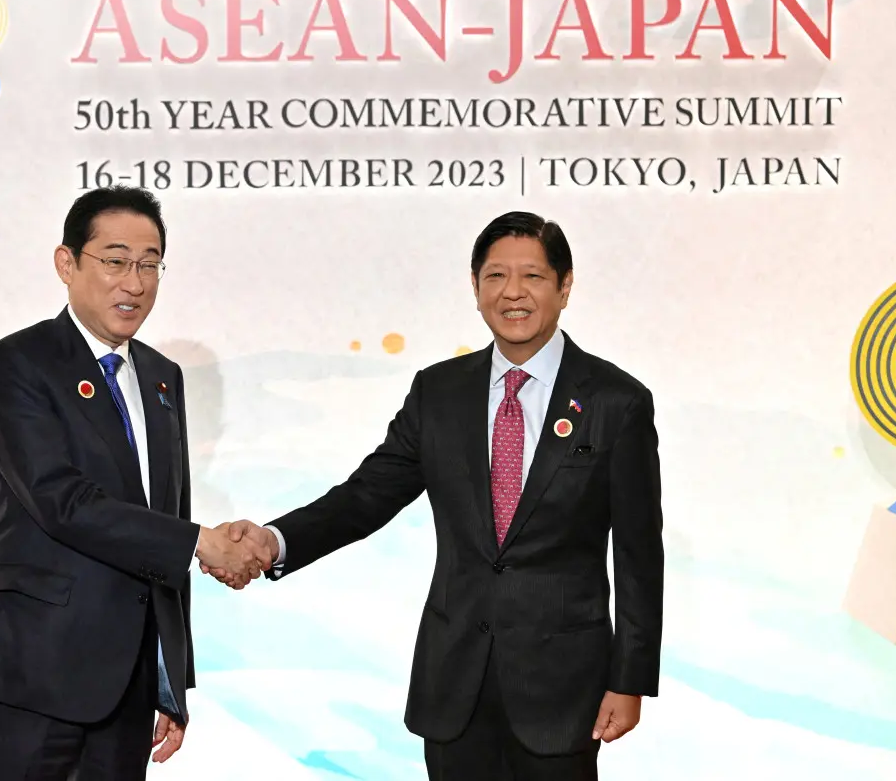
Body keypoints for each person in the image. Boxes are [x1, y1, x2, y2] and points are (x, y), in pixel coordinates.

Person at [207, 212, 664, 781]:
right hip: (454, 685)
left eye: (533, 276)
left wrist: (631, 679)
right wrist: (273, 541)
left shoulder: (616, 402)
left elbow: (641, 557)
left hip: (563, 688)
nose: (513, 293)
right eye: (496, 276)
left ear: (565, 287)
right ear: (475, 289)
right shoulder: (439, 393)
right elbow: (365, 497)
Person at [0, 185, 269, 780]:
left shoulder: (162, 378)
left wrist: (170, 674)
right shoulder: (17, 363)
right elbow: (61, 501)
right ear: (67, 264)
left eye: (150, 264)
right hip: (31, 676)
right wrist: (201, 541)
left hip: (126, 684)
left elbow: (164, 516)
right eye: (116, 260)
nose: (135, 281)